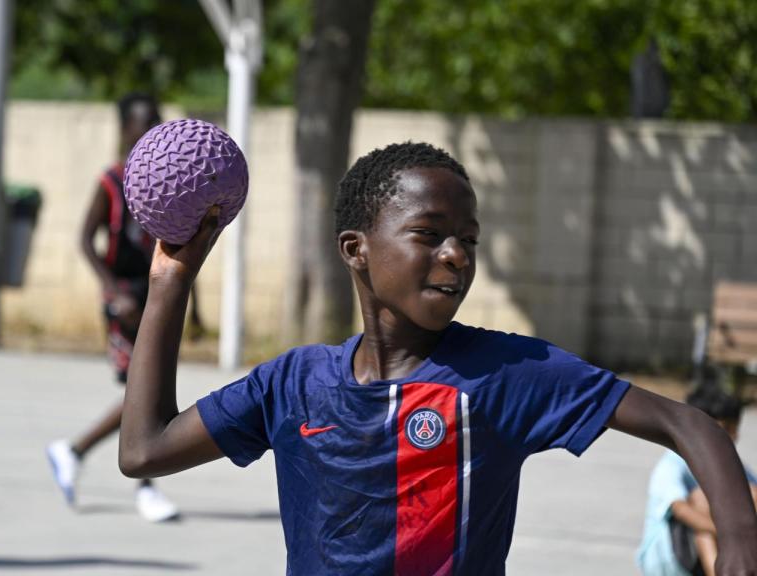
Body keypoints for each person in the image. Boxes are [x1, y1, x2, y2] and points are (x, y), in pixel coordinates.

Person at [116, 142, 757, 574]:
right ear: (355, 249)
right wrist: (170, 282)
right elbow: (144, 450)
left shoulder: (505, 374)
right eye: (428, 234)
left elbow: (688, 423)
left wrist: (738, 541)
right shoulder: (293, 383)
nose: (456, 255)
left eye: (468, 240)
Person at [47, 93, 196, 523]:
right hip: (126, 297)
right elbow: (84, 240)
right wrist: (113, 292)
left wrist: (195, 304)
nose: (150, 129)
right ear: (125, 128)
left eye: (156, 120)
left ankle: (74, 452)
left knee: (148, 390)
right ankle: (141, 484)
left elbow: (182, 245)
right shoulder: (112, 181)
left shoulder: (170, 182)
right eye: (143, 121)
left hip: (157, 293)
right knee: (143, 391)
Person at [638, 385, 757, 576]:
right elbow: (681, 510)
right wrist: (731, 533)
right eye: (724, 429)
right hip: (669, 556)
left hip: (709, 548)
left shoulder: (735, 466)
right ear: (698, 430)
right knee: (702, 501)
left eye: (734, 429)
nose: (731, 436)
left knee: (750, 494)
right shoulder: (673, 463)